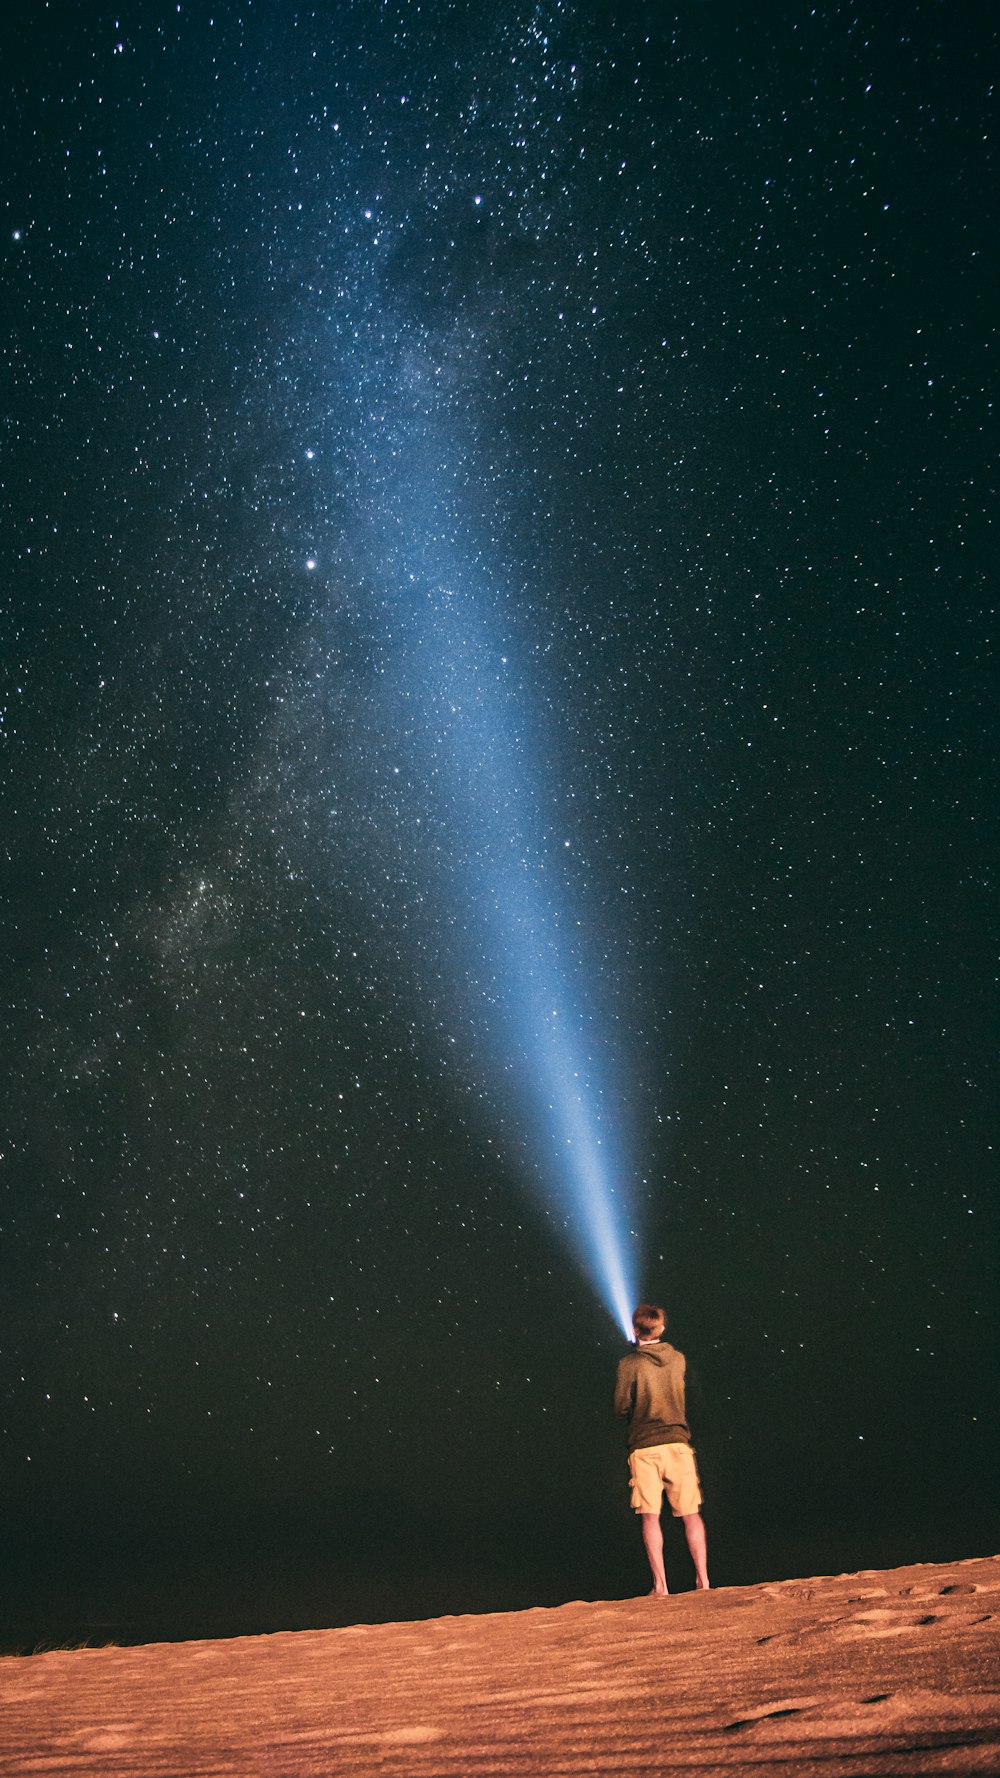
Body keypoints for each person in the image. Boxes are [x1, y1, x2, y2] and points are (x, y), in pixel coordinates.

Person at [614, 1302, 710, 1594]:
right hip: (678, 1444)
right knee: (691, 1513)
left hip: (644, 1447)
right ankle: (703, 1581)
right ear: (662, 1329)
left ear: (634, 1330)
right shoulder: (678, 1359)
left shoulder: (629, 1364)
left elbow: (620, 1406)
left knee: (650, 1515)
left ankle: (661, 1586)